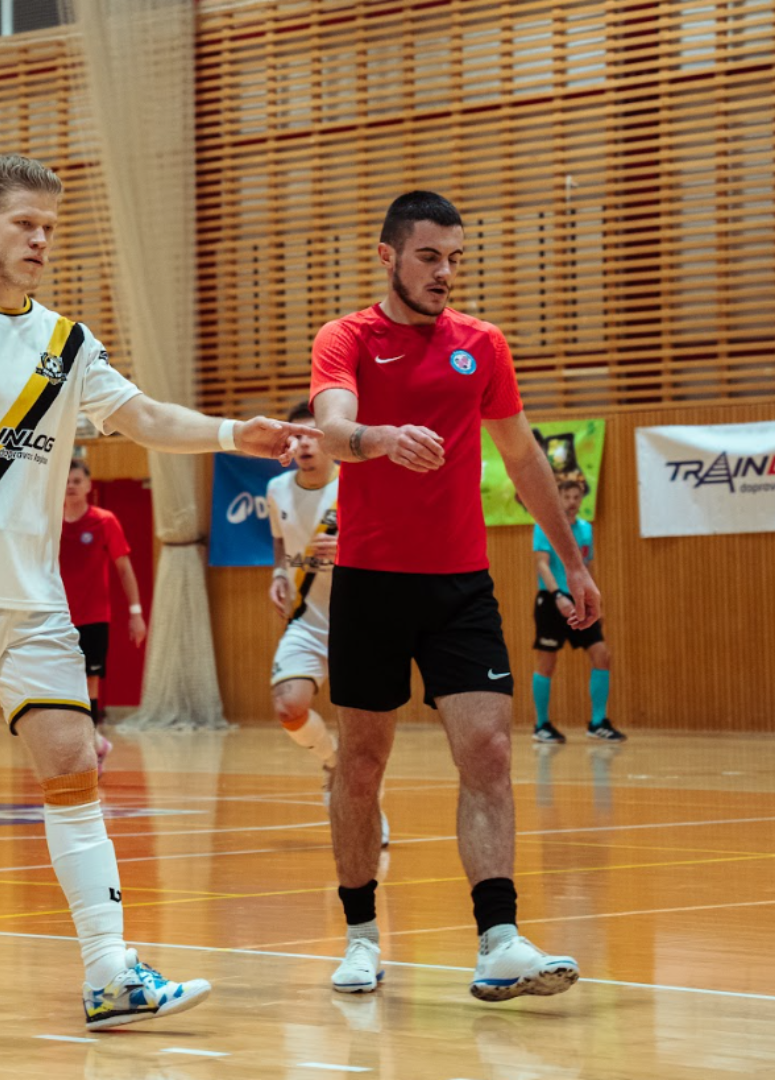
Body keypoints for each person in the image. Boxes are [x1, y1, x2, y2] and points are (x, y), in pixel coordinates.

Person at [0, 153, 319, 1034]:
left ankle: (109, 971)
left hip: (36, 603)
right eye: (25, 224)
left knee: (71, 767)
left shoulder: (66, 343)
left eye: (50, 227)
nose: (40, 240)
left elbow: (144, 417)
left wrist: (229, 433)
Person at [309, 190, 601, 1000]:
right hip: (369, 584)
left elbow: (524, 457)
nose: (444, 272)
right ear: (389, 257)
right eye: (429, 257)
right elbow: (331, 428)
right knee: (361, 762)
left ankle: (499, 940)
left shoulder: (483, 344)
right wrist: (379, 439)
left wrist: (573, 563)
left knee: (490, 751)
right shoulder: (346, 338)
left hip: (460, 586)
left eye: (454, 259)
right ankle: (361, 935)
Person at [266, 401, 389, 845]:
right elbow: (280, 545)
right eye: (295, 436)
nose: (303, 444)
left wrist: (346, 551)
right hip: (306, 621)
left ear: (329, 441)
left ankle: (370, 811)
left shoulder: (354, 485)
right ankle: (331, 761)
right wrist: (278, 574)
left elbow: (386, 546)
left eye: (312, 435)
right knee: (288, 706)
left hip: (359, 621)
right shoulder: (277, 490)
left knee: (364, 733)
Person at [61, 456, 147, 771]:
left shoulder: (104, 521)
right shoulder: (49, 521)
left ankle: (91, 744)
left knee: (90, 681)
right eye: (66, 481)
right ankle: (87, 743)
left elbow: (124, 568)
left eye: (77, 481)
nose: (71, 486)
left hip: (94, 618)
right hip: (57, 618)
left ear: (88, 485)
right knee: (60, 683)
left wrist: (136, 613)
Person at [532, 479, 625, 743]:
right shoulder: (545, 526)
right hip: (553, 601)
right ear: (558, 498)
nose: (572, 502)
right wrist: (558, 596)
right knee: (547, 661)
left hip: (581, 600)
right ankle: (541, 725)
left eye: (576, 497)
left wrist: (596, 603)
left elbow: (586, 567)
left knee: (602, 654)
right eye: (567, 497)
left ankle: (598, 722)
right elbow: (542, 564)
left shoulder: (585, 529)